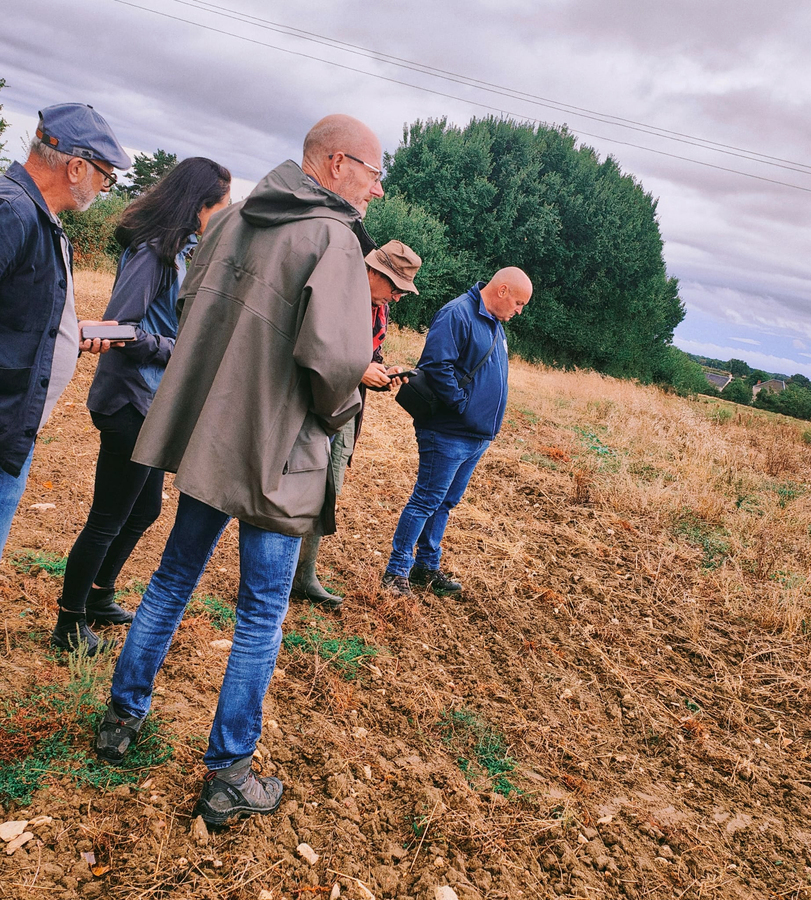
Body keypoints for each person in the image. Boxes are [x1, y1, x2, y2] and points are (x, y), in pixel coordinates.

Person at [95, 114, 383, 827]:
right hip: (278, 455)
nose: (377, 189)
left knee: (170, 579)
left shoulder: (230, 222)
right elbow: (335, 364)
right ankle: (228, 777)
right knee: (259, 612)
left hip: (209, 435)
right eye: (375, 173)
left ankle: (119, 721)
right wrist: (343, 407)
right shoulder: (334, 240)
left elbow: (194, 310)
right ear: (337, 163)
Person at [53, 158, 232, 655]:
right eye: (222, 205)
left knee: (145, 509)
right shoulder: (153, 253)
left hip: (153, 402)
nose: (225, 214)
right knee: (108, 516)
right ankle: (68, 625)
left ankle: (99, 596)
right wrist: (181, 348)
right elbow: (119, 326)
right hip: (129, 401)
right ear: (199, 206)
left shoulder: (180, 252)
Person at [0, 103, 132, 558]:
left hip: (13, 428)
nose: (105, 186)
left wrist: (70, 335)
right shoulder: (12, 212)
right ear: (76, 166)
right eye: (105, 174)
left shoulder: (42, 220)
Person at [381, 268, 532, 597]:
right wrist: (462, 406)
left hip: (475, 437)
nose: (519, 310)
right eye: (519, 302)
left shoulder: (493, 323)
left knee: (445, 503)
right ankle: (396, 572)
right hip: (449, 432)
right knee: (426, 500)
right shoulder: (457, 313)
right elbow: (437, 366)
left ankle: (426, 568)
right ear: (502, 290)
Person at [291, 240, 422, 609]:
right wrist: (358, 370)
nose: (396, 298)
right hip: (312, 410)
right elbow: (310, 348)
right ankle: (282, 576)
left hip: (346, 410)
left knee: (327, 490)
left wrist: (384, 371)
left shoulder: (377, 310)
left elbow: (368, 357)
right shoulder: (335, 294)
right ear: (373, 271)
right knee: (298, 489)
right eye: (394, 287)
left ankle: (303, 576)